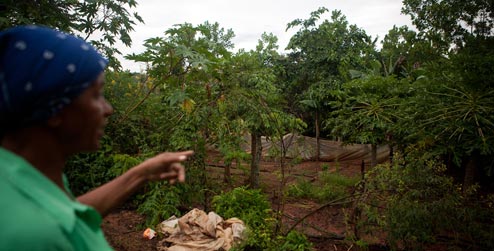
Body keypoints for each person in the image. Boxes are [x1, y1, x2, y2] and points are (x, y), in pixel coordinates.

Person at [0, 25, 194, 250]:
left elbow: (69, 212)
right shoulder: (36, 238)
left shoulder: (21, 175)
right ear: (54, 109)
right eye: (97, 95)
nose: (108, 109)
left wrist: (140, 174)